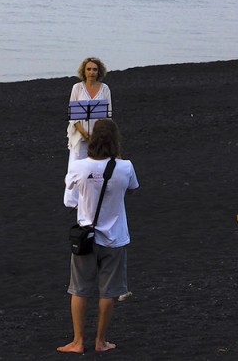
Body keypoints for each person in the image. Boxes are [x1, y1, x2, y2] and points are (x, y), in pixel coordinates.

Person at [58, 119, 139, 354]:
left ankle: (78, 341)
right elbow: (132, 189)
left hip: (86, 236)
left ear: (92, 141)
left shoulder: (79, 167)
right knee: (109, 291)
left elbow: (69, 193)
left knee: (80, 289)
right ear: (115, 141)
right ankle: (101, 341)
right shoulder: (125, 167)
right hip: (115, 237)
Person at [65, 57, 113, 204]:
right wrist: (85, 134)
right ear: (84, 71)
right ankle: (72, 200)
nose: (92, 72)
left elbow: (108, 114)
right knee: (76, 165)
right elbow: (72, 115)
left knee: (95, 168)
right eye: (89, 69)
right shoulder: (77, 88)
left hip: (98, 135)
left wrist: (97, 135)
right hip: (79, 134)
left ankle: (92, 197)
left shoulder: (105, 88)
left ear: (99, 72)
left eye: (94, 69)